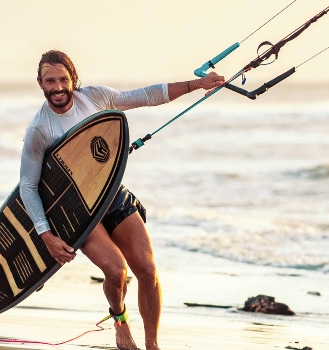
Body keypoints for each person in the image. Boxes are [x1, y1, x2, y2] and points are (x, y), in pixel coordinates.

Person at [20, 50, 224, 350]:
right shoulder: (39, 130)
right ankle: (120, 322)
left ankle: (152, 345)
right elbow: (28, 185)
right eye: (50, 81)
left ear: (73, 78)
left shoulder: (95, 98)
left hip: (112, 195)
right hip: (80, 211)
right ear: (40, 83)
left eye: (64, 79)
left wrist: (197, 85)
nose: (58, 87)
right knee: (116, 271)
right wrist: (46, 235)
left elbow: (146, 96)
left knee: (147, 270)